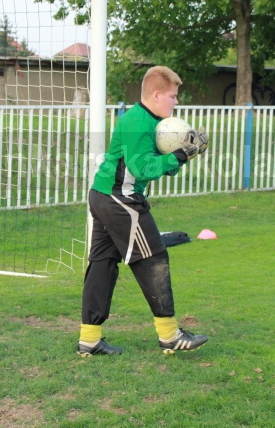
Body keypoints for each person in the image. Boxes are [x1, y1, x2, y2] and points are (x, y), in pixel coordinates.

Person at [78, 65, 209, 357]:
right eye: (173, 96)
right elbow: (142, 168)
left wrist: (184, 155)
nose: (176, 102)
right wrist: (180, 154)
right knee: (154, 257)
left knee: (103, 265)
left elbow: (151, 165)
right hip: (121, 199)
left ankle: (89, 339)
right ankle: (170, 336)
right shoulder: (139, 121)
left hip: (103, 195)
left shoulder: (146, 119)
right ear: (157, 94)